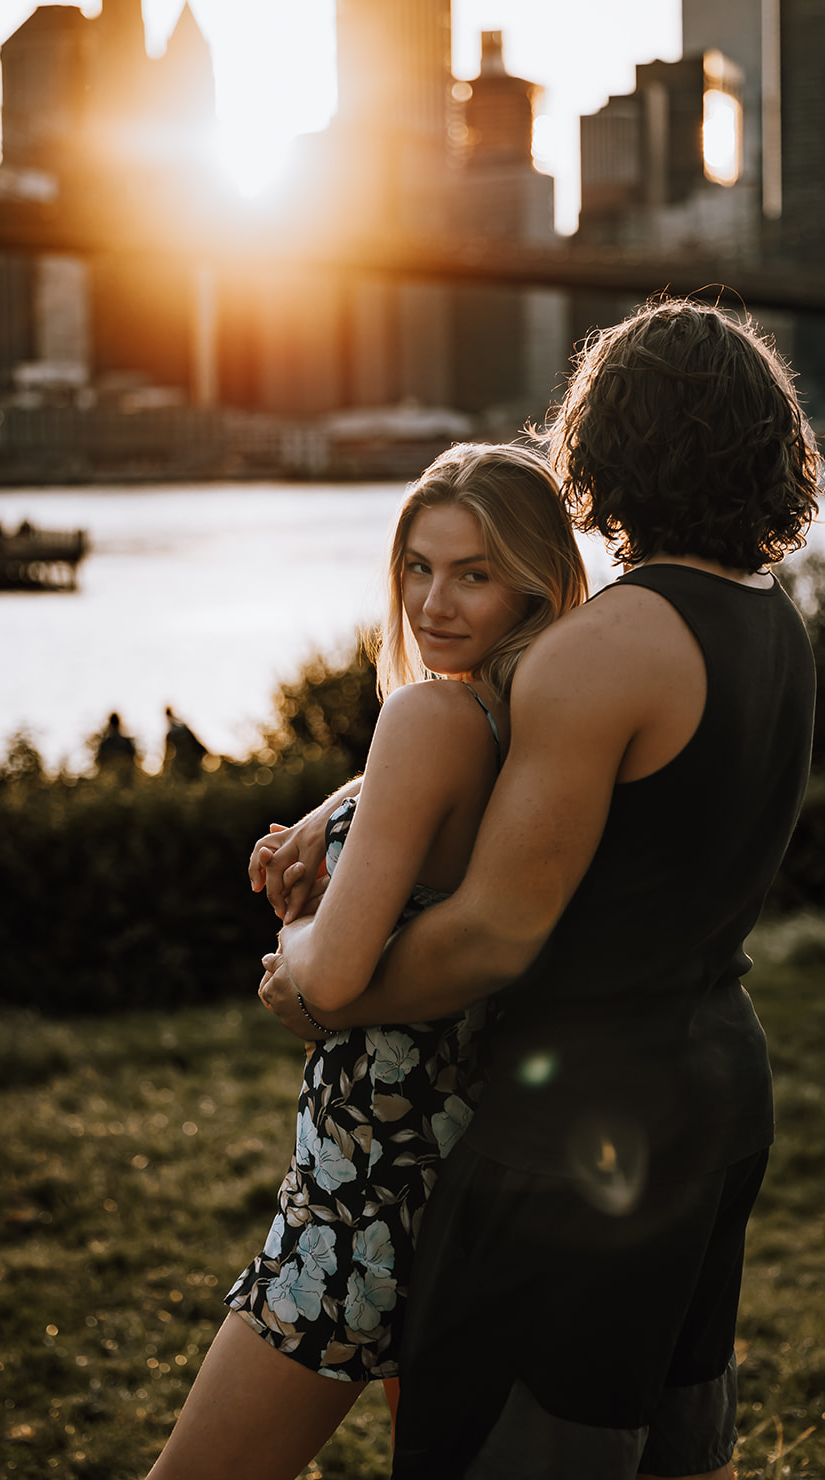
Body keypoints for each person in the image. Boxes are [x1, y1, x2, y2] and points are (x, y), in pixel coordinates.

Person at [259, 299, 821, 1480]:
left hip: (576, 1128)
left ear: (605, 442)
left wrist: (321, 991)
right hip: (722, 1088)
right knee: (665, 1450)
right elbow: (470, 740)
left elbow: (489, 937)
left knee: (499, 1448)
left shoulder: (604, 645)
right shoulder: (774, 628)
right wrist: (332, 811)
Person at [145, 442, 588, 1480]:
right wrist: (334, 807)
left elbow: (330, 978)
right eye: (417, 568)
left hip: (361, 1196)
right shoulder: (528, 719)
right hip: (454, 1173)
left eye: (473, 573)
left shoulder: (426, 715)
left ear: (532, 582)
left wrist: (290, 943)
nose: (434, 602)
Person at [163, 706, 208, 779]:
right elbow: (198, 744)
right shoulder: (184, 728)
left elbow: (167, 753)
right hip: (193, 761)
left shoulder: (171, 734)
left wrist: (164, 769)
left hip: (182, 763)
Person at [94, 711, 138, 777]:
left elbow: (100, 762)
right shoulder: (126, 742)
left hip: (111, 777)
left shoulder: (105, 743)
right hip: (123, 777)